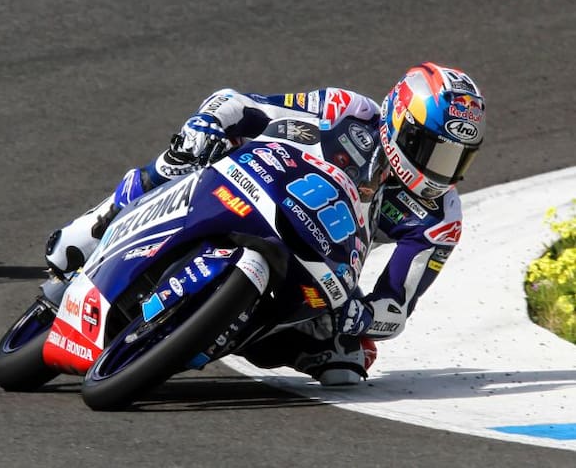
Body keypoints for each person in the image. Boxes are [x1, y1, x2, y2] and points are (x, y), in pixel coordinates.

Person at [45, 62, 486, 386]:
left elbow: (397, 307)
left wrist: (363, 316)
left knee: (349, 363)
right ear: (402, 123)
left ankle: (219, 332)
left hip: (320, 262)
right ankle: (98, 224)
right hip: (258, 189)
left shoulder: (439, 217)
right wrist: (208, 124)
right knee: (182, 156)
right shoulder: (346, 110)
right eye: (434, 151)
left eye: (457, 159)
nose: (442, 171)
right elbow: (244, 105)